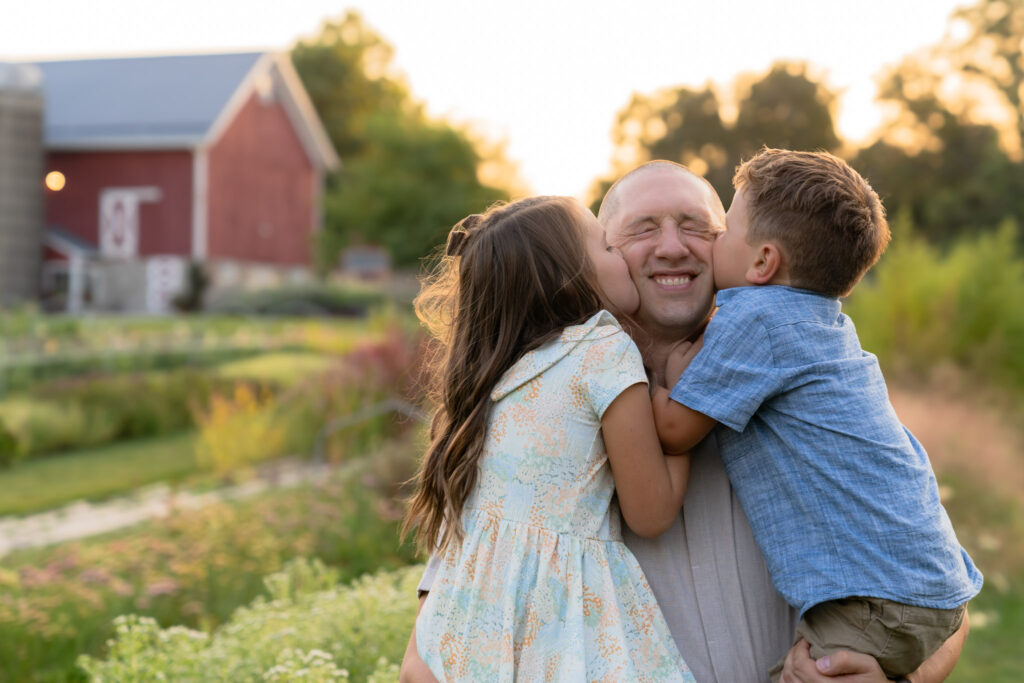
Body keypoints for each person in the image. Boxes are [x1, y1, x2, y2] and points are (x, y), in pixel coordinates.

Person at [402, 160, 971, 683]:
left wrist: (899, 677)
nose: (672, 247)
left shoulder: (813, 389)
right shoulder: (540, 424)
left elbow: (938, 592)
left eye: (697, 226)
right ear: (582, 264)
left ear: (747, 252)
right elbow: (429, 661)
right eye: (640, 229)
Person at [651, 149, 982, 680]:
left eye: (725, 228)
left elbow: (672, 430)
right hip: (929, 588)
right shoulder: (824, 324)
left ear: (762, 263)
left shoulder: (755, 317)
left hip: (870, 600)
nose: (713, 241)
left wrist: (661, 370)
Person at [402, 196, 696, 681]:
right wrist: (682, 399)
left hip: (465, 635)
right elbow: (651, 511)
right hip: (560, 633)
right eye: (606, 246)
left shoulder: (494, 376)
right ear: (572, 278)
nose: (621, 255)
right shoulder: (603, 349)